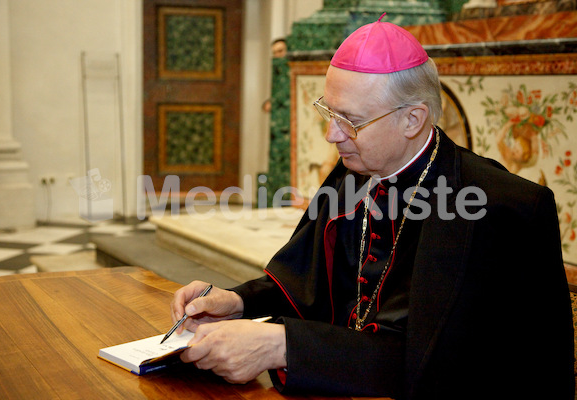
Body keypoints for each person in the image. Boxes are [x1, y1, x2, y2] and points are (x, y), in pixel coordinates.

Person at [171, 15, 575, 399]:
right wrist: (240, 302)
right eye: (328, 111)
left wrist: (283, 345)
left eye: (349, 120)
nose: (331, 135)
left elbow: (441, 361)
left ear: (412, 119)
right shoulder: (353, 174)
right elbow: (307, 282)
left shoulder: (501, 209)